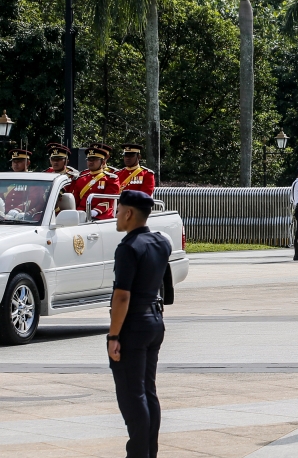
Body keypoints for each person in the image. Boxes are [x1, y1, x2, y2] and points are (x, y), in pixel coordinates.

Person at [106, 190, 171, 458]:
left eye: (119, 210)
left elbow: (122, 297)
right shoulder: (161, 242)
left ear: (129, 213)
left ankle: (138, 454)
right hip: (154, 321)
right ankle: (148, 452)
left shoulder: (128, 247)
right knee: (147, 391)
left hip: (133, 324)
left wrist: (113, 336)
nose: (116, 215)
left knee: (132, 396)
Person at [69, 145, 121, 220]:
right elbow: (76, 200)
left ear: (102, 162)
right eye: (89, 159)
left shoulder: (111, 179)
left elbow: (108, 200)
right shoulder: (81, 178)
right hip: (81, 214)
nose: (91, 162)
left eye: (94, 160)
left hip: (101, 216)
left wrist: (96, 211)